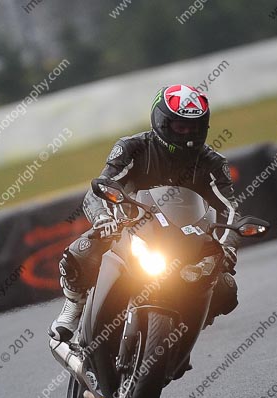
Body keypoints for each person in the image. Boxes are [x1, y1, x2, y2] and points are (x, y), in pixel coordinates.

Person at [49, 84, 240, 344]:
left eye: (194, 128)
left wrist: (227, 246)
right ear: (161, 122)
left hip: (185, 237)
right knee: (81, 251)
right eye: (180, 127)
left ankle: (184, 330)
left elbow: (229, 209)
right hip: (130, 227)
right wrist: (105, 219)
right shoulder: (133, 147)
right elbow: (99, 189)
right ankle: (74, 305)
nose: (187, 135)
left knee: (226, 289)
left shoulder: (213, 163)